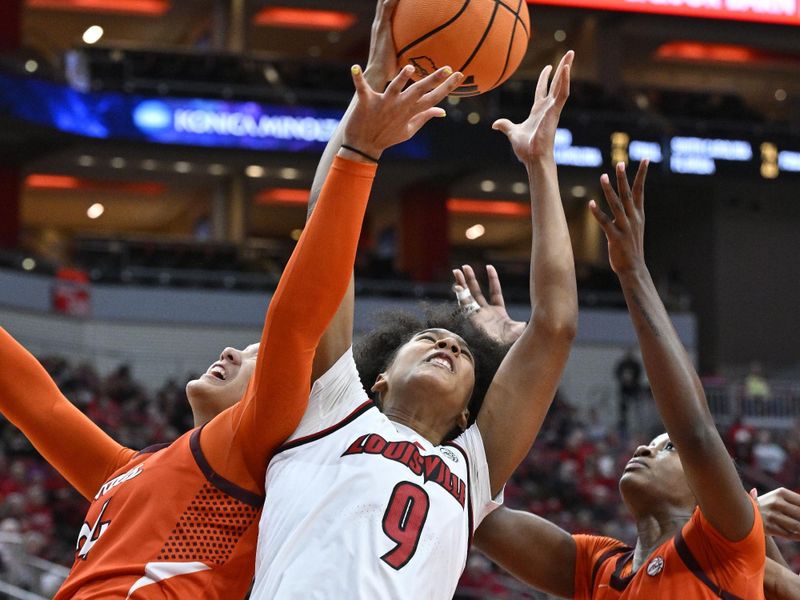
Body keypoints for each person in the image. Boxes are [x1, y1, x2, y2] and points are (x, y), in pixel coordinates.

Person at [0, 22, 463, 599]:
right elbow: (35, 404)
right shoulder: (126, 470)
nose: (230, 351)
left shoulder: (249, 449)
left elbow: (295, 322)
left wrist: (362, 154)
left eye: (251, 357)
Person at [249, 48, 579, 598]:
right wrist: (367, 119)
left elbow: (556, 326)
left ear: (470, 409)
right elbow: (323, 231)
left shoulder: (473, 464)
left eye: (463, 353)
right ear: (378, 378)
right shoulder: (333, 408)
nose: (447, 344)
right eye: (427, 338)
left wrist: (541, 164)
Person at [471, 161, 788, 599]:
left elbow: (695, 431)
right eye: (656, 444)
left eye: (665, 447)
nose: (644, 447)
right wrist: (501, 359)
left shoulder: (722, 544)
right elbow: (471, 509)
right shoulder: (597, 568)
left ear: (709, 490)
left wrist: (633, 270)